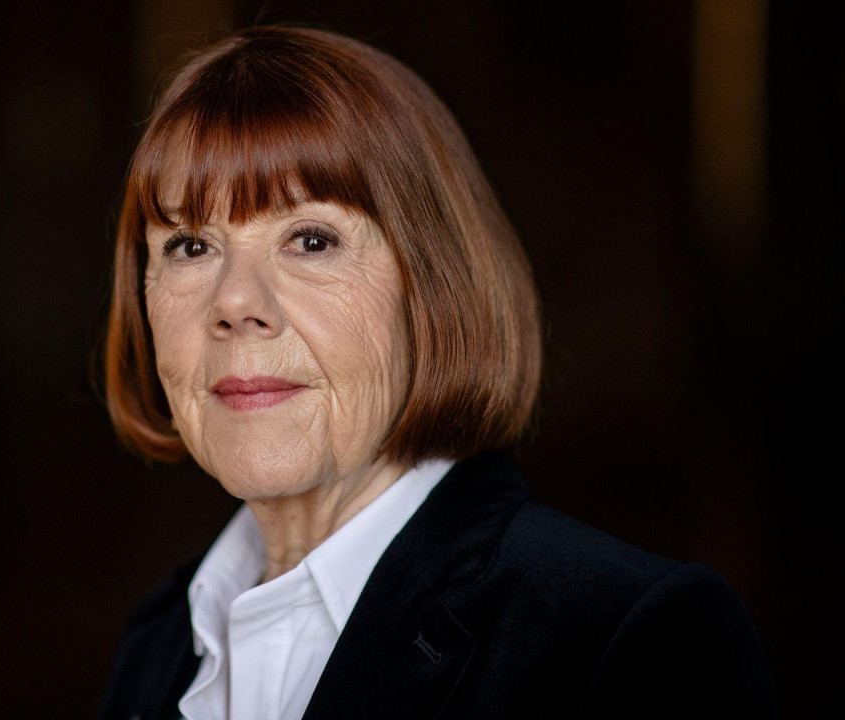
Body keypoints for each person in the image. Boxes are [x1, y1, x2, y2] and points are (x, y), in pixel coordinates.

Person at [97, 25, 776, 720]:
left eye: (311, 239)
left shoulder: (621, 638)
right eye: (190, 246)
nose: (235, 302)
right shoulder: (159, 646)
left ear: (432, 287)